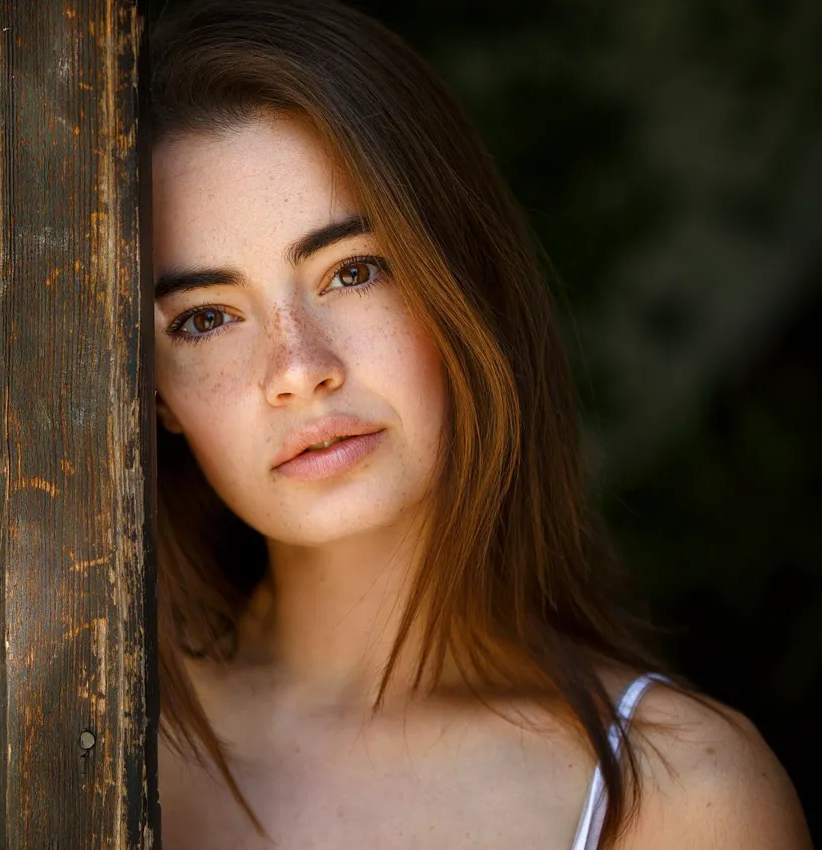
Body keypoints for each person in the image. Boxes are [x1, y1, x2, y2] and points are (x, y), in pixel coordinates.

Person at [147, 1, 811, 848]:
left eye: (354, 270)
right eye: (205, 318)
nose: (298, 368)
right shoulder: (73, 732)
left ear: (461, 280)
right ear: (155, 392)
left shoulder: (683, 799)